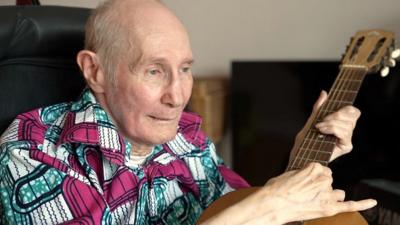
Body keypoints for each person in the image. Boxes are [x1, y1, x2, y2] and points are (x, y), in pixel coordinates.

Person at [0, 0, 376, 224]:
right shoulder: (32, 151)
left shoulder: (187, 138)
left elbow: (242, 208)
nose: (177, 96)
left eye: (184, 68)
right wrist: (264, 206)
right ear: (95, 71)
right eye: (153, 70)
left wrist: (298, 164)